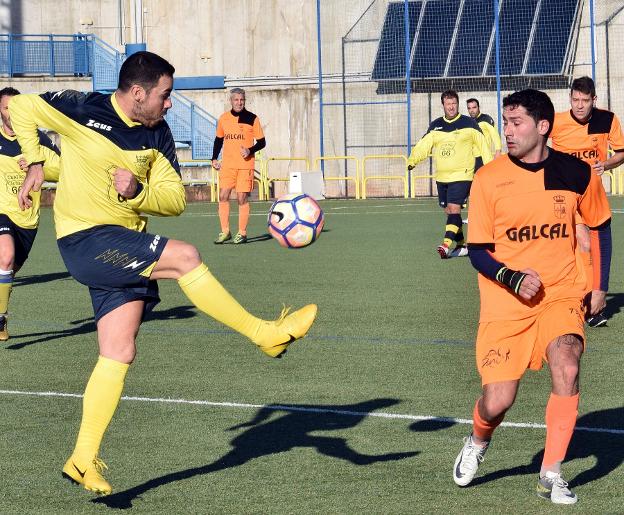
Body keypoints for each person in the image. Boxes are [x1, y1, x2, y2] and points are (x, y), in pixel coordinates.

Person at [10, 51, 317, 496]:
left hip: (123, 245)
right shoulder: (81, 108)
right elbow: (18, 106)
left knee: (119, 351)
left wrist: (137, 192)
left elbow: (173, 199)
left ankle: (81, 457)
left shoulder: (159, 134)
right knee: (187, 257)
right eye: (165, 95)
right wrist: (35, 159)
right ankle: (263, 334)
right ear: (138, 93)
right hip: (86, 239)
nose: (169, 103)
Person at [453, 89, 612, 504]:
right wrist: (511, 276)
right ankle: (478, 439)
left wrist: (599, 285)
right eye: (506, 122)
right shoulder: (489, 178)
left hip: (560, 292)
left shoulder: (576, 174)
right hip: (505, 300)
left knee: (567, 363)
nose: (508, 131)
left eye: (516, 122)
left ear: (543, 127)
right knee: (498, 400)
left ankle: (551, 473)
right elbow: (478, 252)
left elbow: (599, 226)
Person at [550, 76, 623, 328]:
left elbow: (622, 152)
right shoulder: (556, 122)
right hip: (564, 196)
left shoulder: (607, 119)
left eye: (584, 100)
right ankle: (584, 305)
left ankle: (588, 303)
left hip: (593, 195)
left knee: (588, 247)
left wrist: (607, 163)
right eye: (575, 100)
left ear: (594, 100)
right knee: (581, 244)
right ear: (570, 98)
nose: (579, 105)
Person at [0, 87, 60, 341]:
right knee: (5, 256)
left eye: (15, 108)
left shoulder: (39, 140)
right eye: (6, 109)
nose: (11, 114)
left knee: (9, 269)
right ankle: (0, 318)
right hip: (2, 211)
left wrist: (39, 165)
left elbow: (65, 170)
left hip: (28, 219)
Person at [407, 90, 492, 259]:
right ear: (443, 105)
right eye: (448, 104)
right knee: (449, 211)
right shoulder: (436, 125)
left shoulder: (469, 123)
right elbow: (424, 144)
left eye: (454, 103)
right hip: (442, 177)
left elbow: (483, 145)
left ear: (457, 104)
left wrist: (490, 168)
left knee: (454, 209)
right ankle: (462, 245)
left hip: (462, 175)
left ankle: (445, 245)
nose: (451, 107)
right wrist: (413, 160)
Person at [211, 88, 266, 244]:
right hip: (227, 165)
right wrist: (214, 158)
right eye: (236, 100)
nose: (239, 102)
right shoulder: (224, 118)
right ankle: (225, 231)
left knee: (241, 198)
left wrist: (250, 150)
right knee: (223, 196)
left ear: (244, 101)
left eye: (242, 100)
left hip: (245, 166)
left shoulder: (252, 118)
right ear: (231, 101)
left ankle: (242, 233)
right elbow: (218, 140)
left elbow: (262, 142)